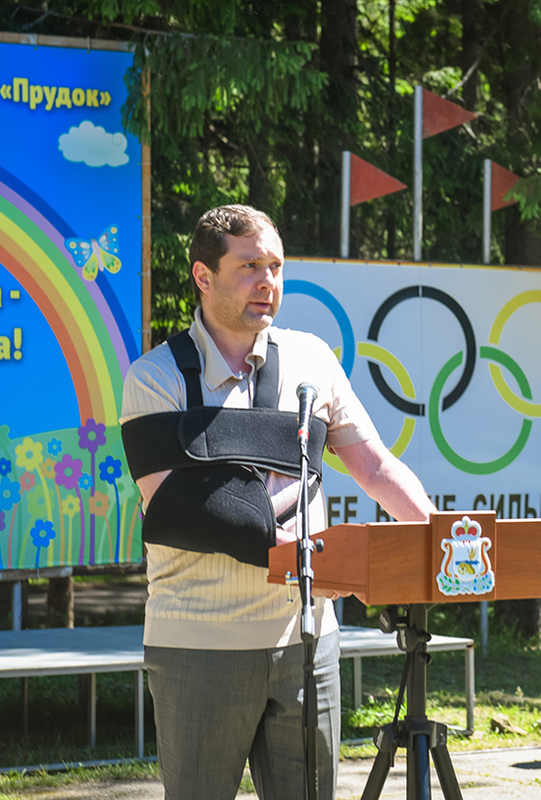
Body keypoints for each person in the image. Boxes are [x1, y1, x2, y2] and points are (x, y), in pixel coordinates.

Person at [120, 204, 436, 800]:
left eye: (275, 266)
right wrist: (320, 558)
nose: (267, 281)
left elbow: (373, 465)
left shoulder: (312, 360)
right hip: (199, 645)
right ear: (202, 275)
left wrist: (440, 536)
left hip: (307, 644)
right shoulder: (155, 378)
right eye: (249, 266)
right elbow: (183, 510)